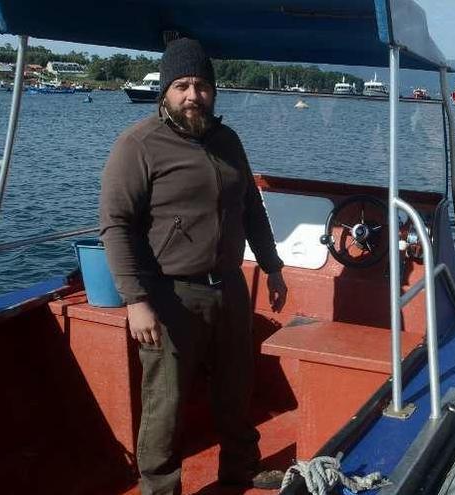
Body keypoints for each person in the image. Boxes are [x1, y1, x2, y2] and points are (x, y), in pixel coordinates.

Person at [99, 38, 288, 495]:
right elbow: (115, 225)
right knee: (165, 403)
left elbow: (251, 208)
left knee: (235, 389)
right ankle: (160, 489)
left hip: (228, 286)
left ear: (213, 91)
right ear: (165, 91)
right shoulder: (138, 144)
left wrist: (272, 265)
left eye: (201, 85)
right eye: (181, 85)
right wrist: (136, 301)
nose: (192, 95)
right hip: (170, 295)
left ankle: (241, 469)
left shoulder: (227, 141)